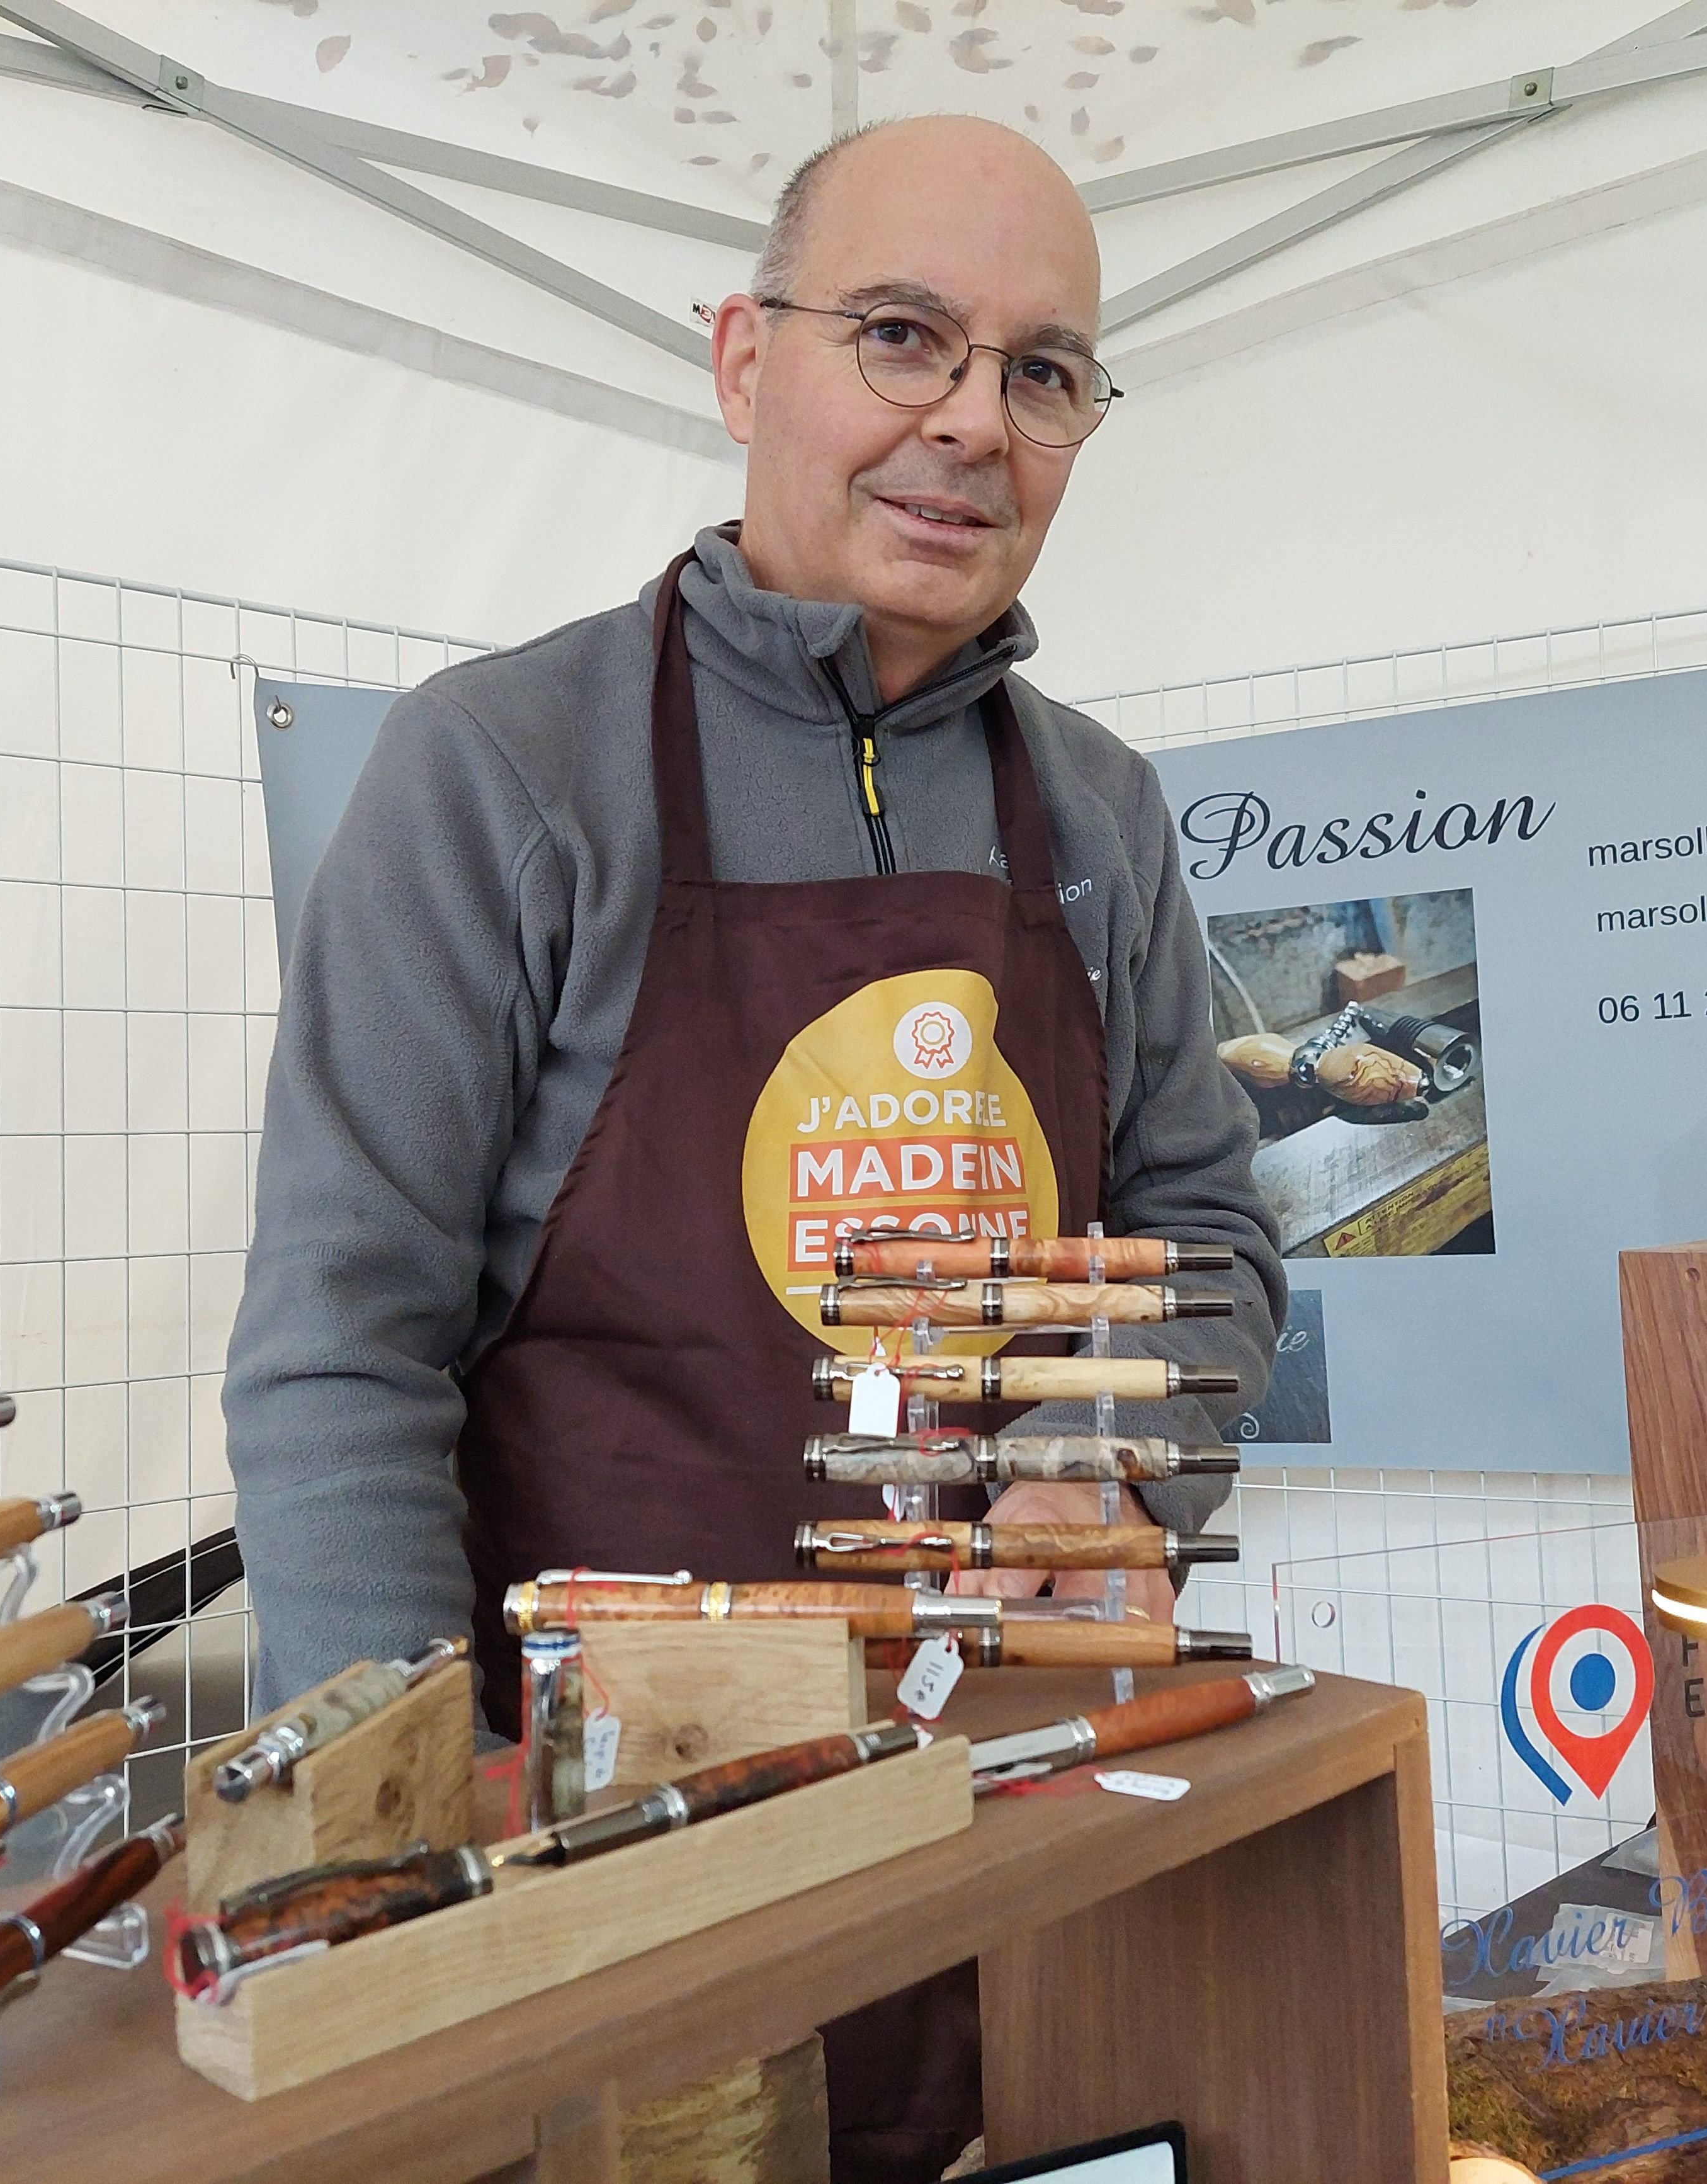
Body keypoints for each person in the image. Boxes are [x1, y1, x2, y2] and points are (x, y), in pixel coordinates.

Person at [224, 112, 1286, 2183]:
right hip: (603, 1878)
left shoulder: (1100, 814)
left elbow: (1209, 1240)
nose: (970, 422)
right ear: (741, 360)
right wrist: (411, 1830)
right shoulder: (504, 775)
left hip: (1013, 1831)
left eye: (1042, 371)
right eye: (904, 336)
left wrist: (1106, 1458)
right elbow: (338, 1346)